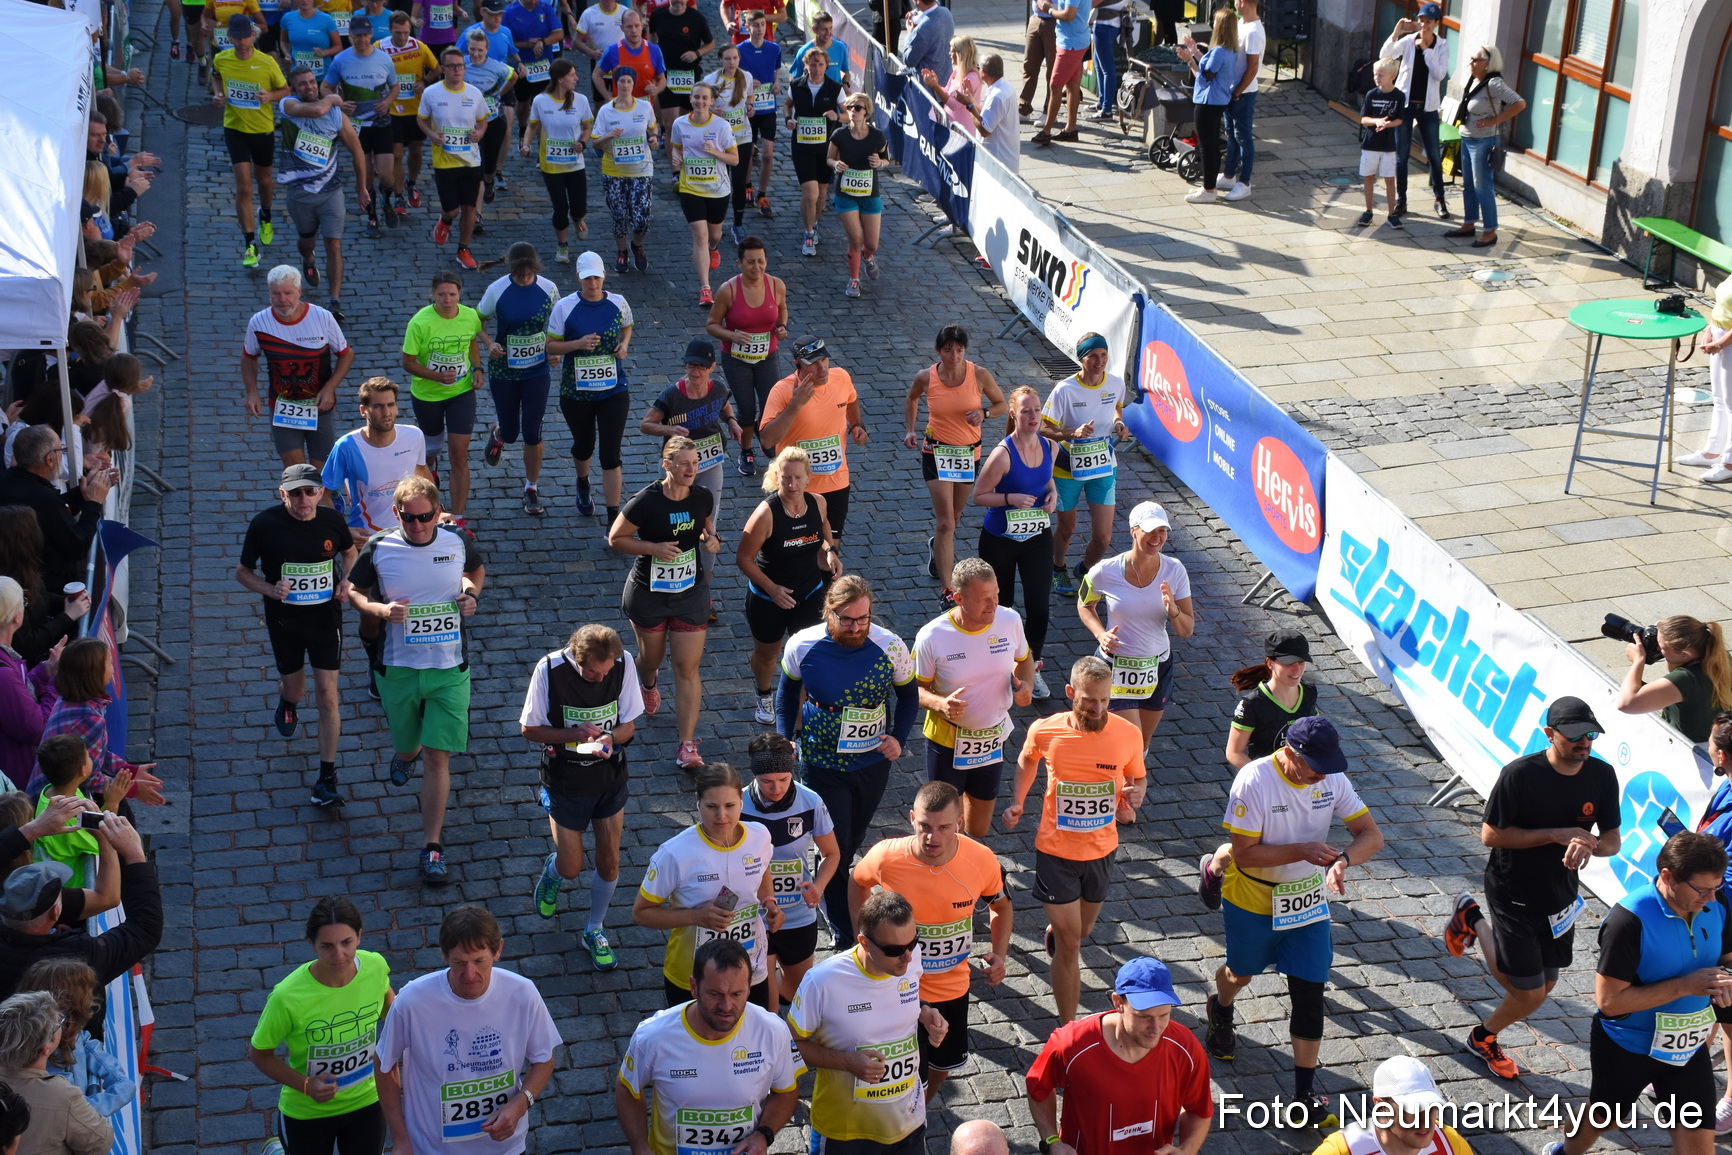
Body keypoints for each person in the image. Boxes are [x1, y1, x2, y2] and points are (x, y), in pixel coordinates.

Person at [1204, 714, 1384, 1128]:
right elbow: (1246, 852)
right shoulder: (1254, 780)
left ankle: (1304, 1094)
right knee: (1240, 974)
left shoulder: (1331, 778)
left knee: (1309, 990)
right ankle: (1221, 1005)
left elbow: (1370, 834)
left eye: (1328, 766)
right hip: (1251, 894)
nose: (1323, 776)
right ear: (1289, 753)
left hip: (1306, 902)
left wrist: (1343, 860)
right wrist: (1302, 850)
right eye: (1315, 766)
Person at [1442, 696, 1622, 1081]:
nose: (1584, 743)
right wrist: (1555, 835)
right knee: (1527, 992)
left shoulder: (1602, 776)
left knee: (1547, 984)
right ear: (1549, 734)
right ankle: (1482, 1036)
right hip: (1513, 890)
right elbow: (1490, 835)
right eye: (1574, 736)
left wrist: (1591, 843)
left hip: (1560, 895)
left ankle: (1470, 918)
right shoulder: (1520, 775)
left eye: (1590, 735)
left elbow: (1612, 840)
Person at [1545, 832, 1732, 1155]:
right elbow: (1609, 1002)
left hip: (1687, 1047)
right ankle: (1564, 1151)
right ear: (1667, 876)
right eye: (1702, 890)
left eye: (1716, 888)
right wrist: (1686, 986)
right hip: (1628, 1047)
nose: (1711, 899)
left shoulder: (1717, 904)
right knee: (1605, 1117)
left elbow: (1726, 959)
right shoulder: (1628, 921)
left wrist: (1727, 979)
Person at [345, 475, 485, 884]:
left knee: (437, 757)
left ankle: (432, 846)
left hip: (448, 669)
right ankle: (403, 755)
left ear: (439, 512)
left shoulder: (456, 541)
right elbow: (353, 591)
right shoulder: (381, 546)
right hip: (399, 669)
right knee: (409, 747)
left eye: (425, 517)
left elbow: (475, 572)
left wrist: (471, 594)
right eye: (409, 518)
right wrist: (378, 609)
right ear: (397, 514)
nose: (418, 525)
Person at [1002, 655, 1146, 1025]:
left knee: (1082, 930)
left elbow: (1138, 778)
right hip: (1055, 851)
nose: (1097, 709)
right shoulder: (1046, 730)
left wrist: (1135, 795)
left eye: (1103, 700)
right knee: (1071, 945)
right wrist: (1018, 802)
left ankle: (1061, 928)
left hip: (1101, 851)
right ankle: (1067, 1030)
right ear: (1070, 693)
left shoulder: (1128, 734)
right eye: (1088, 700)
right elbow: (1026, 759)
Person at [850, 781, 1012, 1102]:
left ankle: (922, 1105)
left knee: (942, 1066)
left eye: (943, 827)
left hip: (952, 988)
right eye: (924, 825)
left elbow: (1001, 906)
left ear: (960, 825)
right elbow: (857, 883)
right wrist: (863, 939)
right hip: (899, 988)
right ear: (912, 818)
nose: (932, 837)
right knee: (904, 1078)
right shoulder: (886, 857)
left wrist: (1000, 953)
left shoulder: (981, 859)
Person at [775, 574, 917, 939]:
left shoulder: (890, 645)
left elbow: (909, 697)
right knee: (835, 843)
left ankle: (830, 882)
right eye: (847, 619)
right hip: (821, 760)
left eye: (863, 619)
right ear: (829, 612)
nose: (856, 627)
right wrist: (783, 738)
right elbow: (787, 695)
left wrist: (899, 739)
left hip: (872, 760)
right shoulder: (803, 644)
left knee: (852, 839)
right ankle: (841, 924)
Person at [375, 905, 558, 1155]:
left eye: (479, 961)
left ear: (498, 951)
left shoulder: (522, 993)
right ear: (443, 956)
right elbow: (384, 1064)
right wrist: (400, 1139)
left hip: (505, 1148)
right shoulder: (411, 1003)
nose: (469, 974)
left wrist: (521, 1102)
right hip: (432, 1148)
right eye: (458, 962)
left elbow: (544, 1059)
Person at [519, 624, 642, 969]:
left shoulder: (623, 663)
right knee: (572, 866)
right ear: (576, 657)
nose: (601, 678)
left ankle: (594, 929)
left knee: (610, 861)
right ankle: (554, 873)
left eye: (606, 672)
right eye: (593, 672)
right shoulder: (549, 669)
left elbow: (630, 723)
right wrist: (572, 734)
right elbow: (529, 729)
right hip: (565, 781)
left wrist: (610, 739)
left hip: (608, 778)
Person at [788, 889, 946, 1154]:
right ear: (864, 942)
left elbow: (904, 999)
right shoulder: (823, 981)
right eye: (895, 950)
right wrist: (847, 1062)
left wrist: (926, 1011)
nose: (907, 957)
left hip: (908, 1126)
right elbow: (791, 1046)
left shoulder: (909, 959)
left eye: (913, 942)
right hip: (846, 1133)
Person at [236, 463, 357, 808]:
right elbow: (242, 573)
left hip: (325, 619)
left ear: (320, 492)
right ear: (282, 494)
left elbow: (349, 553)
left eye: (310, 491)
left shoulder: (332, 521)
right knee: (296, 687)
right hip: (285, 620)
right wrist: (269, 589)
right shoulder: (264, 525)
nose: (304, 500)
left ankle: (327, 776)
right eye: (295, 493)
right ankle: (288, 702)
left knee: (327, 695)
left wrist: (347, 580)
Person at [614, 938, 799, 1155]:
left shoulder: (772, 1031)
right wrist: (640, 1147)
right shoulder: (653, 1036)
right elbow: (627, 1087)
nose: (726, 1006)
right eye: (715, 994)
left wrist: (763, 1134)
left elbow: (785, 1092)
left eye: (736, 994)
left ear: (749, 989)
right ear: (694, 987)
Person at [248, 897, 394, 1155]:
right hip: (308, 1113)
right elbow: (260, 1053)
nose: (339, 955)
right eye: (327, 946)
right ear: (312, 945)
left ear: (359, 936)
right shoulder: (287, 997)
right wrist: (306, 1084)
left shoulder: (375, 966)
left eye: (346, 943)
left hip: (367, 1103)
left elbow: (390, 1009)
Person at [1025, 957, 1213, 1155]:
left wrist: (1187, 1149)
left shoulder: (1185, 1048)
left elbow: (1198, 1110)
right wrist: (1051, 1140)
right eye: (1144, 1016)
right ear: (1118, 1002)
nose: (1155, 1028)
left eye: (1164, 1015)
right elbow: (1038, 1087)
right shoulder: (1072, 1044)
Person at [632, 762, 783, 1007]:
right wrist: (697, 917)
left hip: (750, 967)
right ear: (697, 801)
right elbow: (641, 913)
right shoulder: (675, 853)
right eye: (711, 806)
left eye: (730, 806)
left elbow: (763, 868)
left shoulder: (759, 836)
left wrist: (770, 901)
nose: (721, 816)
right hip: (693, 973)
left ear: (742, 800)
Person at [608, 436, 719, 768]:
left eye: (695, 463)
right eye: (684, 463)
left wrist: (711, 540)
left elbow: (705, 529)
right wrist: (653, 548)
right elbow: (616, 538)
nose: (691, 469)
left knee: (687, 668)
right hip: (649, 594)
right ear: (666, 463)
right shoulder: (646, 500)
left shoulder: (702, 496)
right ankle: (647, 681)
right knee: (651, 658)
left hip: (690, 592)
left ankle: (686, 744)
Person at [914, 560, 1032, 837]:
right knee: (944, 827)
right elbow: (913, 690)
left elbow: (1024, 659)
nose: (993, 605)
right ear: (959, 599)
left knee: (978, 829)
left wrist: (1024, 683)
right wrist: (939, 704)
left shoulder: (1009, 620)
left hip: (991, 738)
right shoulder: (932, 637)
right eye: (983, 599)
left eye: (996, 595)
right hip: (947, 741)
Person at [0, 815, 161, 999]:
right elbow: (146, 928)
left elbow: (106, 899)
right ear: (56, 912)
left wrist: (32, 829)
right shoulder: (77, 957)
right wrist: (134, 855)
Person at [1077, 501, 1194, 752]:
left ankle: (1132, 789)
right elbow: (1084, 604)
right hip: (1115, 665)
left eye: (1162, 531)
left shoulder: (1175, 570)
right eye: (1150, 531)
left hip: (1157, 666)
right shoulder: (1103, 571)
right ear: (1133, 531)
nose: (1157, 537)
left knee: (1142, 743)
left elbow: (1186, 630)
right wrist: (1100, 634)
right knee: (1129, 739)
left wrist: (1173, 609)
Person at [903, 326, 1005, 605]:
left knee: (956, 516)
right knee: (946, 521)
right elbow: (911, 398)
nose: (954, 355)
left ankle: (937, 548)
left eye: (959, 350)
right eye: (948, 350)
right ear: (938, 351)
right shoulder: (925, 377)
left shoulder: (979, 375)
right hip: (936, 452)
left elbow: (1002, 405)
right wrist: (910, 430)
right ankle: (947, 590)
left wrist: (984, 413)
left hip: (967, 455)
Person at [735, 446, 837, 725]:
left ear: (808, 477)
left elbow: (824, 532)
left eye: (797, 478)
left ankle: (800, 709)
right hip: (769, 597)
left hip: (810, 591)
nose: (791, 484)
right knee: (768, 654)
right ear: (776, 477)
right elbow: (743, 559)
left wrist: (830, 552)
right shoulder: (766, 514)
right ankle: (764, 693)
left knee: (807, 651)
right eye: (785, 478)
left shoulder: (817, 502)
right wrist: (772, 589)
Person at [971, 385, 1055, 703]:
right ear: (1013, 414)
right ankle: (999, 666)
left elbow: (1046, 478)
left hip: (1036, 538)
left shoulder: (1050, 446)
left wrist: (1053, 495)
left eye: (1036, 410)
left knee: (1038, 608)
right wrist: (1010, 498)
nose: (1033, 416)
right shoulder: (1003, 455)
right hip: (1000, 540)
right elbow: (979, 495)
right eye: (1026, 411)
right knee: (1000, 608)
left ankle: (1030, 669)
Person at [740, 733, 838, 1001]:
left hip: (797, 913)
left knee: (796, 993)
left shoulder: (810, 801)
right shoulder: (737, 806)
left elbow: (831, 853)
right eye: (766, 782)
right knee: (765, 997)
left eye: (784, 779)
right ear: (754, 776)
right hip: (755, 914)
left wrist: (818, 887)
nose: (776, 788)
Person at [638, 338, 741, 590]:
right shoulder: (672, 395)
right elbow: (645, 424)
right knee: (671, 520)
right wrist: (670, 429)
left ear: (712, 367)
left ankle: (704, 589)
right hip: (677, 468)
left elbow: (724, 405)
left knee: (709, 525)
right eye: (690, 365)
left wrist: (731, 421)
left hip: (710, 462)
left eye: (701, 367)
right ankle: (668, 576)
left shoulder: (717, 388)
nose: (694, 371)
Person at [278, 64, 372, 316]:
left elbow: (357, 151)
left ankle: (334, 299)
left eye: (311, 82)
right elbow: (318, 107)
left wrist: (361, 187)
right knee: (306, 241)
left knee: (334, 243)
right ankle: (308, 259)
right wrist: (331, 97)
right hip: (299, 193)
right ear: (293, 88)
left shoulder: (336, 116)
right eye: (302, 83)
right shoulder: (288, 106)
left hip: (331, 192)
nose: (308, 86)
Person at [548, 251, 635, 521]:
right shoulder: (564, 306)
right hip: (577, 393)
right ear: (578, 277)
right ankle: (583, 482)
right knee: (584, 446)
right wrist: (576, 344)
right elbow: (550, 345)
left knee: (611, 454)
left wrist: (624, 345)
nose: (593, 283)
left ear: (604, 275)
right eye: (587, 278)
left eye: (597, 277)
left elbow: (627, 326)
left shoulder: (618, 302)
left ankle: (612, 518)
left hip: (613, 390)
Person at [1040, 333, 1129, 596]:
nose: (1099, 361)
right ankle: (1057, 568)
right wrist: (1072, 433)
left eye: (1103, 355)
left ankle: (1086, 569)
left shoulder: (1115, 383)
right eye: (1092, 356)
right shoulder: (1065, 390)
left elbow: (1117, 408)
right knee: (1067, 529)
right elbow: (1044, 428)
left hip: (1103, 466)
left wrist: (1118, 424)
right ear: (1081, 359)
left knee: (1103, 539)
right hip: (1067, 468)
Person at [242, 265, 354, 468]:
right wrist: (252, 392)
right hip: (282, 408)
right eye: (276, 294)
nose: (282, 299)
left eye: (288, 293)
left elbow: (346, 355)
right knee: (296, 474)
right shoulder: (258, 322)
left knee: (323, 476)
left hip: (319, 407)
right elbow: (249, 356)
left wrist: (329, 389)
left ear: (299, 292)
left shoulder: (322, 318)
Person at [477, 244, 558, 516]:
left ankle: (531, 487)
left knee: (533, 431)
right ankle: (499, 434)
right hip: (505, 370)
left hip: (537, 370)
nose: (526, 278)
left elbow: (559, 322)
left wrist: (554, 347)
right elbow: (477, 320)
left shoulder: (549, 288)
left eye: (530, 273)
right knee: (512, 433)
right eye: (520, 273)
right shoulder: (497, 290)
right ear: (511, 269)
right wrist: (489, 344)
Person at [760, 337, 866, 547]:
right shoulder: (782, 391)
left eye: (824, 360)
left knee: (832, 547)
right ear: (797, 365)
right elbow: (767, 439)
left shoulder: (842, 378)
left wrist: (857, 425)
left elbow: (851, 399)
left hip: (836, 482)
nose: (822, 368)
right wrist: (795, 405)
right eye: (813, 363)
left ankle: (828, 581)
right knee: (800, 546)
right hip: (796, 485)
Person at [399, 271, 485, 527]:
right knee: (429, 454)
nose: (447, 300)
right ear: (433, 294)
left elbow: (471, 342)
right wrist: (435, 375)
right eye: (442, 294)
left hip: (461, 393)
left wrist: (477, 369)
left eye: (452, 294)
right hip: (427, 396)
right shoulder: (419, 323)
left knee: (459, 455)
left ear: (460, 294)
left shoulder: (469, 316)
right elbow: (408, 363)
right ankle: (430, 487)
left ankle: (457, 519)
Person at [33, 641, 163, 806]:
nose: (113, 666)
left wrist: (129, 771)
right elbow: (89, 776)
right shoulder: (89, 718)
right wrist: (132, 789)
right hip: (58, 802)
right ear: (95, 673)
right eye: (109, 662)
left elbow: (97, 752)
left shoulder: (70, 699)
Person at [705, 235, 789, 473]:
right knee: (746, 409)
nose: (757, 267)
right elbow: (711, 324)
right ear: (739, 263)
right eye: (751, 262)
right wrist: (732, 336)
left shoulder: (776, 285)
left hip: (767, 357)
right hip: (736, 359)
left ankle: (768, 440)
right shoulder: (728, 291)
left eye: (761, 261)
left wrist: (782, 327)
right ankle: (746, 451)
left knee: (771, 405)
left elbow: (782, 309)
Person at [212, 15, 290, 266]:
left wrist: (271, 96)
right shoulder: (221, 58)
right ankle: (249, 244)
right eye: (238, 37)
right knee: (244, 186)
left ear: (253, 35)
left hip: (263, 129)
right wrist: (218, 93)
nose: (242, 41)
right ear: (230, 37)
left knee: (264, 180)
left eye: (246, 36)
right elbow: (216, 75)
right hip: (234, 128)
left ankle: (265, 213)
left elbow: (286, 91)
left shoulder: (267, 63)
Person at [18, 958, 136, 1123]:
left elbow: (86, 1042)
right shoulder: (44, 1059)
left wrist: (117, 1078)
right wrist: (119, 1093)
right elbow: (75, 1112)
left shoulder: (68, 1029)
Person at [0, 990, 112, 1155]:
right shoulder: (61, 1094)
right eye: (60, 1022)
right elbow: (101, 1142)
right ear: (45, 1048)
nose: (63, 1022)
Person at [0, 429, 112, 594]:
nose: (63, 455)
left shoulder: (7, 479)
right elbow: (77, 546)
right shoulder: (42, 497)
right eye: (62, 450)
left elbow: (55, 512)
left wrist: (83, 493)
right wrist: (94, 502)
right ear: (50, 459)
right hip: (47, 588)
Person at [321, 377, 432, 539]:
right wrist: (342, 532)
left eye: (390, 405)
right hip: (369, 537)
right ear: (363, 410)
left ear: (397, 407)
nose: (386, 413)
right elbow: (323, 494)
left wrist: (437, 513)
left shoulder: (414, 436)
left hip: (410, 532)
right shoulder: (346, 446)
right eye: (378, 406)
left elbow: (423, 474)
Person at [321, 15, 399, 238]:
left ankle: (386, 200)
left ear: (371, 34)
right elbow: (325, 88)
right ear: (351, 35)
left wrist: (388, 101)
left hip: (381, 123)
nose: (362, 39)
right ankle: (372, 216)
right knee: (364, 175)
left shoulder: (384, 59)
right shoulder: (341, 60)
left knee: (386, 176)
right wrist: (339, 102)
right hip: (355, 127)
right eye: (357, 35)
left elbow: (394, 86)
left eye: (365, 35)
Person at [1445, 45, 1524, 249]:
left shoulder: (1495, 83)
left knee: (1483, 187)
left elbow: (1519, 103)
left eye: (1475, 60)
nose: (1471, 63)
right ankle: (1469, 223)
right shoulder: (1475, 80)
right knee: (1469, 186)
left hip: (1483, 142)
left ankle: (1490, 231)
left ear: (1488, 64)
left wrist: (1495, 120)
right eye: (1471, 59)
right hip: (1468, 138)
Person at [1313, 1055, 1472, 1155]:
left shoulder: (1451, 1143)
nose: (1425, 1121)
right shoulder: (1340, 1151)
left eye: (1432, 1107)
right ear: (1382, 1108)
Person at [418, 46, 489, 269]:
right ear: (443, 69)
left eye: (460, 66)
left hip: (471, 160)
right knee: (452, 209)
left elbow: (483, 120)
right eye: (452, 66)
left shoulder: (474, 93)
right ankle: (445, 220)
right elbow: (421, 120)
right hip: (444, 161)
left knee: (469, 208)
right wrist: (431, 134)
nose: (457, 70)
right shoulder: (431, 93)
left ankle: (463, 249)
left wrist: (480, 132)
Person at [671, 83, 740, 306]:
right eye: (696, 97)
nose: (700, 101)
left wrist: (715, 152)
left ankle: (713, 248)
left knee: (714, 235)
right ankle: (705, 288)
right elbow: (676, 147)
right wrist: (676, 158)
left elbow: (735, 159)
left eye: (704, 98)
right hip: (690, 187)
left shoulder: (721, 126)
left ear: (712, 101)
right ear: (690, 99)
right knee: (699, 235)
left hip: (717, 189)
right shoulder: (680, 124)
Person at [1613, 616, 1732, 744]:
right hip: (1714, 738)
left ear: (1684, 654)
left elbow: (1626, 703)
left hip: (1692, 750)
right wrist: (1664, 631)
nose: (1658, 649)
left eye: (1662, 647)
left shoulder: (1685, 679)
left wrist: (1638, 660)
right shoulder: (1719, 656)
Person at [1380, 2, 1448, 219]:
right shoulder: (1409, 41)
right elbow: (1386, 55)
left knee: (1434, 156)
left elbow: (1439, 74)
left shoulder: (1442, 46)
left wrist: (1427, 52)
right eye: (1421, 20)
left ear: (1436, 23)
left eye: (1428, 21)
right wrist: (1396, 32)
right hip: (1406, 106)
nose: (1423, 25)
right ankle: (1402, 200)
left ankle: (1440, 199)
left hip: (1428, 108)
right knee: (1402, 156)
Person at [521, 59, 592, 261]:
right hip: (551, 165)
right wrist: (526, 144)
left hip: (575, 164)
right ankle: (562, 245)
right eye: (572, 75)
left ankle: (578, 218)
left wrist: (582, 143)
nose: (577, 78)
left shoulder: (581, 101)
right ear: (560, 79)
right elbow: (532, 126)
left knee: (579, 207)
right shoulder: (541, 101)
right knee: (560, 208)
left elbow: (587, 128)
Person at [591, 67, 659, 274]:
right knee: (619, 216)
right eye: (622, 81)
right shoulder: (606, 111)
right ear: (616, 83)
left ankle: (637, 246)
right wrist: (609, 135)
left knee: (641, 218)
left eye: (629, 81)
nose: (625, 85)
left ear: (633, 83)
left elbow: (653, 130)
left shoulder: (644, 107)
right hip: (614, 172)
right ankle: (622, 252)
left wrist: (654, 138)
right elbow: (595, 144)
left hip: (641, 170)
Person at [1222, 629, 1318, 770]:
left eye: (1301, 662)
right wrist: (1265, 777)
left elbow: (1314, 736)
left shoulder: (1309, 692)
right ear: (1270, 663)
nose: (1297, 670)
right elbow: (1234, 753)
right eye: (1289, 663)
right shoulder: (1252, 704)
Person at [826, 93, 889, 300]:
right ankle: (854, 280)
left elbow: (886, 159)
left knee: (871, 243)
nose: (853, 110)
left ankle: (868, 256)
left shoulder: (877, 136)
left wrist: (879, 163)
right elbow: (829, 158)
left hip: (870, 195)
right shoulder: (839, 135)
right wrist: (836, 164)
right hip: (846, 194)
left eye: (858, 108)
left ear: (867, 112)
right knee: (855, 239)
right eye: (850, 106)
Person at [1176, 8, 1241, 201]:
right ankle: (1210, 187)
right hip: (1219, 101)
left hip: (1208, 102)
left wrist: (1189, 61)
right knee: (1212, 145)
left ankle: (1209, 190)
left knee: (1206, 147)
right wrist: (1195, 51)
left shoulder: (1219, 52)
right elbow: (1210, 66)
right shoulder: (1230, 50)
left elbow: (1203, 77)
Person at [0, 579, 56, 793]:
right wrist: (57, 682)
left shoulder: (6, 662)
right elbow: (37, 729)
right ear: (17, 617)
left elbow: (18, 695)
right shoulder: (4, 674)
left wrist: (45, 671)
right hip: (16, 786)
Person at [382, 11, 440, 215]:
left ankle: (411, 184)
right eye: (398, 33)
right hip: (392, 109)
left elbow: (436, 68)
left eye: (406, 33)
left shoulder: (419, 46)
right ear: (390, 30)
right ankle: (398, 196)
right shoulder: (379, 48)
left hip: (415, 109)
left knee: (416, 150)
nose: (402, 37)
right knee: (396, 154)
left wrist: (425, 81)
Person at [787, 48, 841, 261]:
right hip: (801, 146)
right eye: (812, 64)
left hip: (826, 149)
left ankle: (814, 222)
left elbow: (847, 113)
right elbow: (787, 105)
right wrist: (788, 120)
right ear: (805, 65)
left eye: (820, 64)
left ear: (826, 66)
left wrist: (837, 115)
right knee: (810, 193)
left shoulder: (835, 88)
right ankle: (809, 233)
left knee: (821, 193)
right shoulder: (796, 85)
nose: (816, 68)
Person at [1680, 276, 1732, 484]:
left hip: (1728, 341)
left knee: (1731, 403)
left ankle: (1729, 463)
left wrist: (1720, 344)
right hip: (1720, 335)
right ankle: (1712, 451)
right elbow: (1722, 302)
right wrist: (1710, 329)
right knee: (1720, 399)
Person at [705, 47, 758, 244]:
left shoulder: (747, 77)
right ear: (720, 59)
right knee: (719, 181)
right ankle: (716, 221)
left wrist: (750, 108)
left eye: (735, 58)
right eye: (727, 58)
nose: (732, 62)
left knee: (738, 181)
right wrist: (713, 112)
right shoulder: (711, 80)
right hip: (720, 138)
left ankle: (738, 223)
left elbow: (750, 98)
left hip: (742, 136)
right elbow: (702, 105)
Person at [462, 28, 518, 211]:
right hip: (471, 124)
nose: (475, 54)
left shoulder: (496, 66)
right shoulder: (462, 65)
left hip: (494, 120)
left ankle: (489, 181)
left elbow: (514, 76)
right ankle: (477, 214)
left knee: (490, 165)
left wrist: (500, 93)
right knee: (477, 165)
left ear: (486, 50)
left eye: (480, 50)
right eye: (472, 49)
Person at [647, 0, 714, 140]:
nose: (678, 1)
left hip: (690, 74)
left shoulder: (697, 18)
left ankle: (686, 152)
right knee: (671, 124)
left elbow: (710, 44)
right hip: (666, 75)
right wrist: (654, 55)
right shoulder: (658, 15)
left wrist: (697, 53)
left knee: (687, 122)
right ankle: (672, 154)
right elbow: (652, 36)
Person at [736, 11, 780, 218]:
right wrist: (747, 83)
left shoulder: (774, 49)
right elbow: (733, 78)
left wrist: (777, 83)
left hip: (768, 108)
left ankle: (762, 194)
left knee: (768, 155)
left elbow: (776, 70)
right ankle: (747, 186)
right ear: (747, 26)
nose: (760, 28)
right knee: (748, 152)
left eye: (763, 24)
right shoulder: (740, 50)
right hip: (749, 109)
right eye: (756, 25)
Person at [1216, 0, 1262, 199]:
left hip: (1243, 94)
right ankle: (1228, 175)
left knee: (1243, 137)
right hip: (1232, 91)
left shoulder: (1253, 32)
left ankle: (1244, 182)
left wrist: (1237, 93)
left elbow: (1252, 68)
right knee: (1231, 135)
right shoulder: (1241, 24)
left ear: (1243, 2)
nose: (1234, 3)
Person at [1356, 59, 1404, 229]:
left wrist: (1388, 124)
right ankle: (1368, 210)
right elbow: (1363, 119)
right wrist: (1377, 121)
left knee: (1390, 179)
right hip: (1370, 144)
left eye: (1380, 75)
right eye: (1375, 74)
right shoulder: (1371, 95)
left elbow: (1399, 119)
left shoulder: (1399, 96)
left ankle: (1392, 213)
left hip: (1389, 146)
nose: (1377, 77)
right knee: (1369, 176)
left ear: (1392, 76)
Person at [1030, 0, 1085, 145]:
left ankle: (1046, 131)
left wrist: (1048, 9)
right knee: (1072, 85)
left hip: (1070, 43)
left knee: (1055, 85)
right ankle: (1071, 129)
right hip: (1075, 39)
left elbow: (1068, 15)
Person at [502, 0, 562, 130]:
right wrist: (525, 45)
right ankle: (523, 128)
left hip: (544, 64)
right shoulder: (509, 12)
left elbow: (559, 33)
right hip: (521, 65)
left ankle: (541, 138)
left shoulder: (545, 8)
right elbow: (505, 40)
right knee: (523, 103)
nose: (533, 2)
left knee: (543, 104)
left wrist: (543, 42)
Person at [595, 10, 666, 103]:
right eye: (629, 27)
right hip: (620, 109)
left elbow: (662, 80)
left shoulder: (654, 50)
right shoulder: (612, 51)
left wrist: (656, 89)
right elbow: (596, 75)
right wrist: (607, 97)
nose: (633, 30)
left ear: (642, 25)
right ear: (622, 28)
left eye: (636, 26)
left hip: (644, 111)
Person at [962, 54, 1017, 175]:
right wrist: (971, 100)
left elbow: (985, 130)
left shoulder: (996, 97)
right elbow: (990, 114)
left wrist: (969, 105)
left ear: (984, 72)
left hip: (997, 163)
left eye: (978, 67)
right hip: (1003, 160)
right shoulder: (1006, 87)